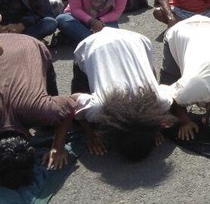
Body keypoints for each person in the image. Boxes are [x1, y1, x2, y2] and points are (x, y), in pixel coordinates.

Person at [0, 32, 76, 187]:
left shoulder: (39, 110)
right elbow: (70, 105)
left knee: (50, 117)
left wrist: (58, 148)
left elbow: (70, 104)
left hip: (18, 44)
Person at [72, 27, 173, 161]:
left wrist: (156, 125)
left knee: (148, 78)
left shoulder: (159, 101)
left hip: (136, 40)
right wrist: (90, 133)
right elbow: (72, 99)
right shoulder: (99, 107)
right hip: (92, 46)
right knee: (83, 104)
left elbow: (169, 89)